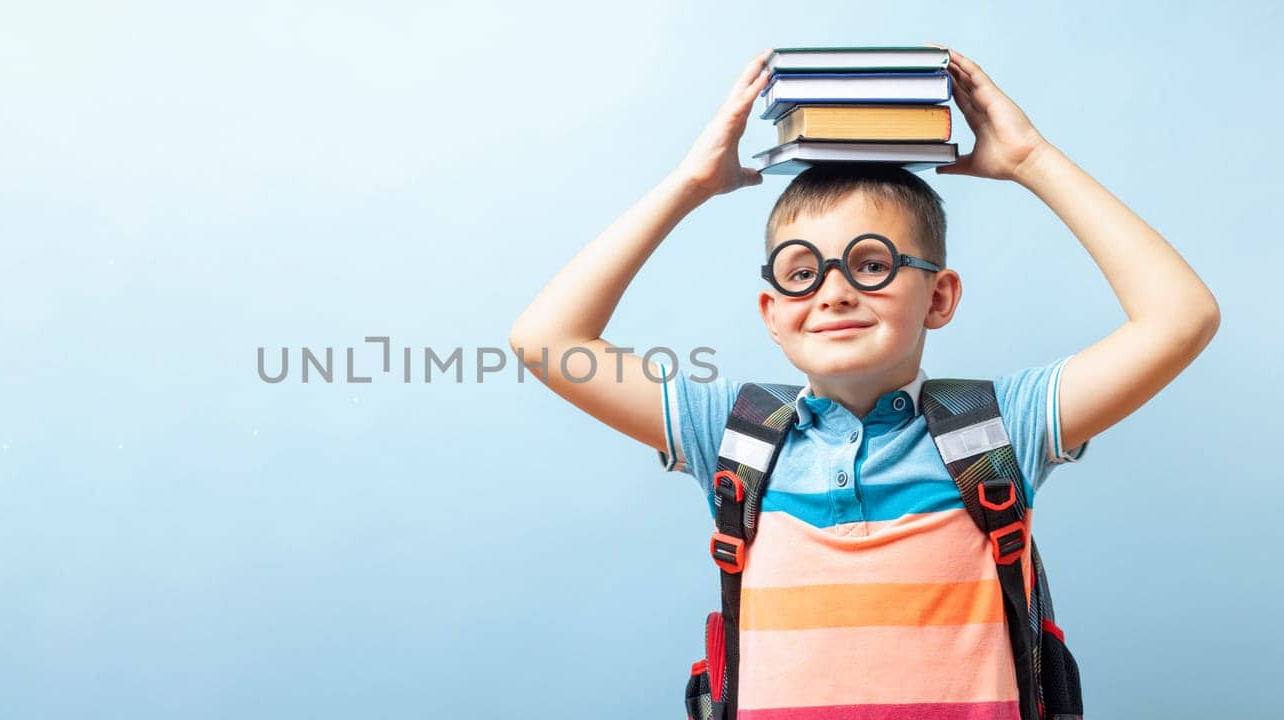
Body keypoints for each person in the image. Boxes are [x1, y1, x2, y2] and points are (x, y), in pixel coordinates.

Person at [507, 46, 1220, 717]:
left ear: (938, 298)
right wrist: (690, 184)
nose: (834, 292)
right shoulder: (732, 431)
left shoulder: (1002, 425)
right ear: (772, 314)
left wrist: (1032, 159)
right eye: (800, 272)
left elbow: (1180, 317)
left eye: (871, 264)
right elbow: (546, 342)